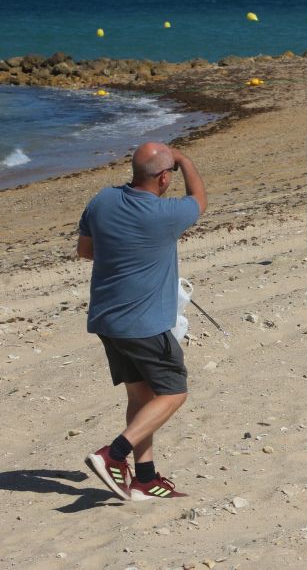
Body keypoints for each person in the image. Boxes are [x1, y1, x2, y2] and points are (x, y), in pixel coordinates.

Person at [77, 142, 207, 500]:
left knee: (141, 395)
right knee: (173, 391)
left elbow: (85, 251)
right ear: (165, 178)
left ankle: (145, 478)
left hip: (106, 319)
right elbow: (200, 199)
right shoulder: (166, 214)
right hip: (144, 325)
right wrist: (186, 159)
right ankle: (113, 454)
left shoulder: (102, 200)